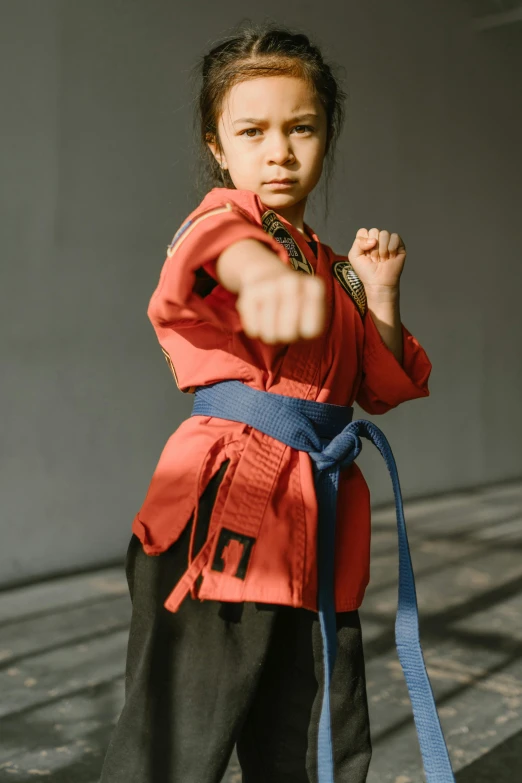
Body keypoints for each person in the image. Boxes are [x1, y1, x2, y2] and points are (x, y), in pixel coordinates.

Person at [99, 22, 434, 783]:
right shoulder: (222, 226)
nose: (278, 150)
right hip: (225, 517)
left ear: (326, 136)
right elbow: (217, 249)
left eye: (301, 128)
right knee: (176, 741)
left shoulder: (335, 271)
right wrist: (264, 278)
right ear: (219, 146)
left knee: (320, 738)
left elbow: (380, 387)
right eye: (252, 131)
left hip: (321, 523)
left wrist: (379, 295)